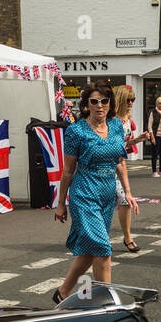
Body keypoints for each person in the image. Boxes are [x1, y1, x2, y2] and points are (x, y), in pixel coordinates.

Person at [52, 80, 136, 301]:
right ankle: (105, 301)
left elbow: (119, 161)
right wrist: (61, 203)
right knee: (103, 248)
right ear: (87, 105)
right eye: (94, 101)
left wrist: (127, 191)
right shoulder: (76, 131)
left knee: (92, 248)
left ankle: (62, 292)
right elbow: (68, 170)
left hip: (107, 193)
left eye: (104, 101)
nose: (100, 105)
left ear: (110, 103)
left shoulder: (116, 126)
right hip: (84, 192)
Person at [112, 84, 149, 252]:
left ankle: (127, 237)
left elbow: (123, 145)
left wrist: (138, 140)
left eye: (133, 100)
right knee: (103, 204)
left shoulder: (127, 119)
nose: (131, 103)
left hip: (119, 164)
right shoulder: (110, 119)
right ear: (120, 100)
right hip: (105, 166)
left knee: (125, 200)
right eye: (128, 100)